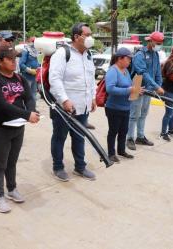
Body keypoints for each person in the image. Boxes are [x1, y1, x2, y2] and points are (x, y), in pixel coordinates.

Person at [0, 45, 39, 213]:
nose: (14, 62)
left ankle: (12, 189)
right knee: (0, 164)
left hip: (17, 128)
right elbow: (2, 105)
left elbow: (29, 97)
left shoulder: (20, 79)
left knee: (12, 162)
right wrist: (26, 115)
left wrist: (31, 110)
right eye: (10, 59)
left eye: (15, 58)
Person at [49, 23, 97, 181]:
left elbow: (91, 79)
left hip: (82, 106)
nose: (91, 38)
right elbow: (54, 79)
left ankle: (80, 167)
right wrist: (64, 100)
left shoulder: (88, 55)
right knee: (59, 137)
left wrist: (93, 97)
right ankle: (58, 167)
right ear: (77, 37)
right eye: (87, 34)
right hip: (64, 108)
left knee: (79, 137)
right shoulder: (63, 53)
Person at [127, 31, 165, 151]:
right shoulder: (140, 55)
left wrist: (159, 85)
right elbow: (142, 73)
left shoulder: (156, 54)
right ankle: (130, 138)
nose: (159, 45)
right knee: (134, 115)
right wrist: (156, 86)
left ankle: (140, 136)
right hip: (138, 87)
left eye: (160, 43)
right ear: (150, 41)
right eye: (157, 42)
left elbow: (158, 72)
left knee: (143, 114)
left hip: (149, 89)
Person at [105, 48, 136, 163]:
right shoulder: (113, 71)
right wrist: (128, 90)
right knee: (113, 131)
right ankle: (111, 153)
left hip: (126, 106)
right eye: (128, 59)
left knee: (124, 130)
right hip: (114, 107)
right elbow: (110, 89)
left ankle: (121, 150)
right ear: (120, 58)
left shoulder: (126, 71)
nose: (129, 61)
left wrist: (136, 90)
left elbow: (129, 86)